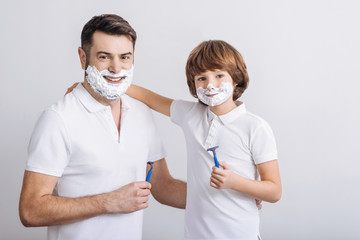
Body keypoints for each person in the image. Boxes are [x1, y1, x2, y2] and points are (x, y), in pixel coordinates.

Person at [19, 14, 186, 240]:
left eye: (125, 57)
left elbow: (164, 187)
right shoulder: (58, 119)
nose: (116, 68)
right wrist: (109, 202)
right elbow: (30, 210)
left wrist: (230, 194)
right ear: (82, 57)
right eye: (104, 57)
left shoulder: (141, 113)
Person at [126, 40, 282, 240]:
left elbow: (274, 191)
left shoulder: (255, 127)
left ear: (236, 79)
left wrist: (235, 182)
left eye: (219, 75)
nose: (210, 84)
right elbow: (147, 97)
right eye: (201, 78)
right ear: (193, 84)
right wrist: (90, 88)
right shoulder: (190, 114)